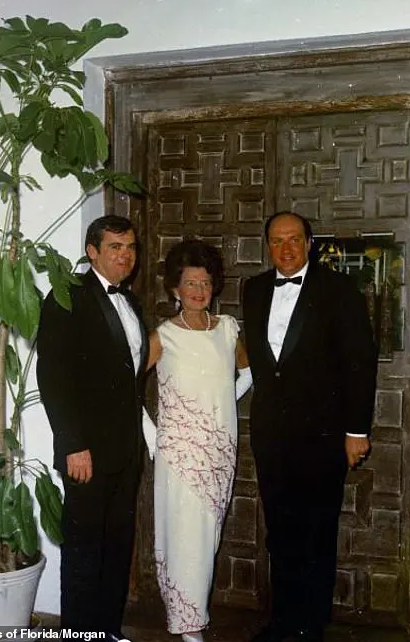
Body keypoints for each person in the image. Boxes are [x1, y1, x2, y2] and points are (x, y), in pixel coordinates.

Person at [243, 212, 378, 642]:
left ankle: (309, 627)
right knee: (280, 532)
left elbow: (360, 363)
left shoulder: (339, 289)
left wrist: (356, 430)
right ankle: (283, 621)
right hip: (271, 435)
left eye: (295, 240)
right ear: (268, 245)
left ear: (310, 243)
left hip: (323, 435)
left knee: (317, 531)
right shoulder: (255, 289)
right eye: (277, 241)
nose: (286, 249)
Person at [36, 215, 148, 642]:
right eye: (116, 247)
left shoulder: (132, 303)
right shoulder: (68, 297)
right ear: (92, 252)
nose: (126, 256)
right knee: (84, 551)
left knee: (117, 546)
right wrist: (72, 444)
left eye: (131, 247)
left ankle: (109, 631)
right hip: (85, 452)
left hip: (125, 450)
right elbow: (54, 377)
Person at [143, 239, 252, 642]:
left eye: (205, 283)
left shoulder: (227, 329)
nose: (198, 290)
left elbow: (247, 372)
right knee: (186, 534)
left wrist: (223, 401)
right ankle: (189, 625)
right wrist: (153, 436)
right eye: (190, 283)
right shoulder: (162, 337)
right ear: (175, 288)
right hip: (178, 452)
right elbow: (126, 387)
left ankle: (194, 616)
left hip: (220, 448)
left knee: (209, 535)